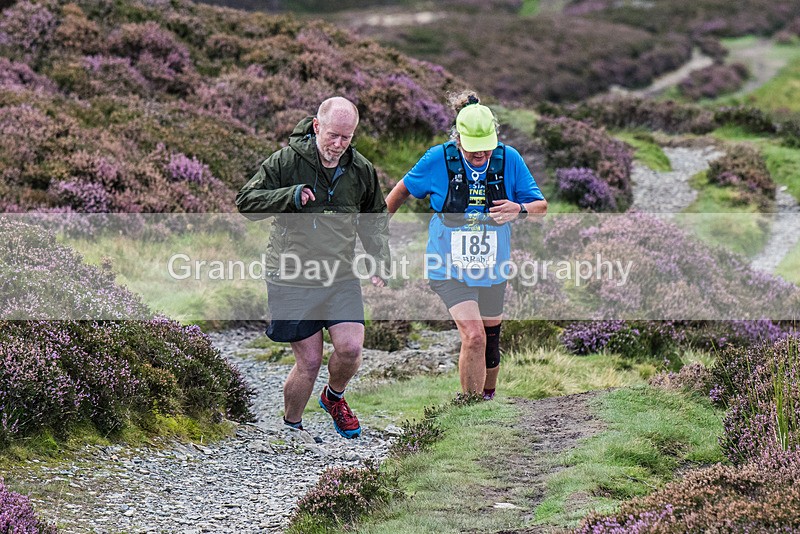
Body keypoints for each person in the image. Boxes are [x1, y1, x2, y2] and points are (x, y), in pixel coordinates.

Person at [236, 96, 389, 438]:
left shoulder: (361, 170)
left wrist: (379, 259)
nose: (338, 144)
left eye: (346, 137)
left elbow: (374, 217)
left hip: (340, 274)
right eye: (333, 135)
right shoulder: (287, 161)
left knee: (350, 349)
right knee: (309, 361)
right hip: (291, 274)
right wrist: (289, 196)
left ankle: (333, 397)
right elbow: (246, 202)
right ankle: (292, 428)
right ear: (317, 127)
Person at [385, 92, 547, 399]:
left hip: (493, 265)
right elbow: (401, 191)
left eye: (487, 147)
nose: (481, 154)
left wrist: (519, 209)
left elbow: (541, 207)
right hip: (447, 265)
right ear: (458, 139)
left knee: (490, 340)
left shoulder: (509, 159)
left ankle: (487, 401)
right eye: (474, 149)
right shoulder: (438, 159)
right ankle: (469, 409)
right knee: (474, 337)